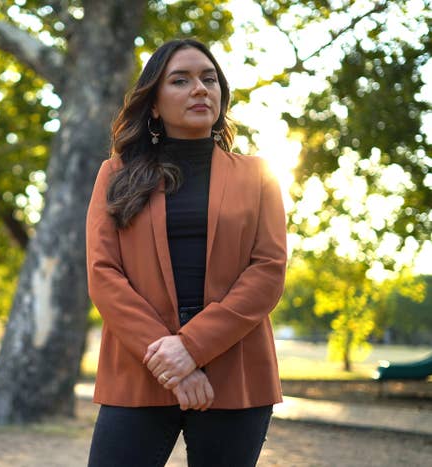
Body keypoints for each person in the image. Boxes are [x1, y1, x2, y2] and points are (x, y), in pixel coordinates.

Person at [85, 38, 288, 467]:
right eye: (181, 80)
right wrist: (170, 356)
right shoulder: (115, 175)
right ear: (154, 105)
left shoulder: (259, 175)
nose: (200, 88)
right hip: (142, 367)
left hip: (236, 373)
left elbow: (267, 272)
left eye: (209, 78)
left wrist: (191, 348)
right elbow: (104, 275)